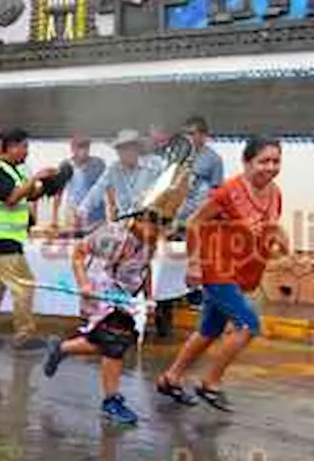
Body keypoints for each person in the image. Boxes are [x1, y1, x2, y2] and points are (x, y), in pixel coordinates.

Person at [157, 137, 288, 411]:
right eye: (264, 161)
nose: (271, 167)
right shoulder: (228, 192)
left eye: (276, 161)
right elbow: (194, 223)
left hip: (241, 271)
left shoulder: (275, 193)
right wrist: (193, 264)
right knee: (248, 325)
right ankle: (210, 382)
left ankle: (171, 378)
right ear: (247, 162)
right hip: (216, 268)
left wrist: (280, 243)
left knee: (209, 330)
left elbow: (269, 226)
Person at [43, 209, 168, 426]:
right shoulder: (112, 236)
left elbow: (144, 269)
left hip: (122, 294)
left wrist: (149, 298)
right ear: (138, 222)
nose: (155, 233)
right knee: (114, 341)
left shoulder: (152, 241)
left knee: (115, 340)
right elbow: (79, 253)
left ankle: (63, 348)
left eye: (159, 228)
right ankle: (111, 400)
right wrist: (83, 283)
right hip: (98, 288)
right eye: (152, 227)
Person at [0, 128, 56, 350]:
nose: (26, 151)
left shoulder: (13, 171)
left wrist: (47, 184)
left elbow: (29, 193)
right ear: (10, 148)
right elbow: (12, 197)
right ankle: (24, 335)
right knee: (24, 286)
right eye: (23, 146)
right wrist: (36, 178)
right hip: (2, 239)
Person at [77, 129, 160, 227]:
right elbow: (97, 189)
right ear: (118, 151)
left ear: (137, 149)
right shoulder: (113, 169)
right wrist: (82, 210)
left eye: (130, 148)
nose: (127, 153)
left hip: (148, 222)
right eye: (123, 149)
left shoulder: (153, 167)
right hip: (124, 223)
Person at [174, 116, 224, 234]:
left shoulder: (214, 159)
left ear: (203, 135)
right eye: (185, 134)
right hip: (177, 212)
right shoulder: (180, 155)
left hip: (198, 215)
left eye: (191, 133)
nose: (188, 137)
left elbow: (215, 192)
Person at [52, 135, 105, 232]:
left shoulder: (98, 164)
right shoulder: (66, 165)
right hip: (74, 215)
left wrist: (112, 212)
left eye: (86, 146)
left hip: (96, 216)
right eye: (79, 147)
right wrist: (54, 219)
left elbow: (108, 188)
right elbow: (58, 193)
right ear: (72, 148)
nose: (83, 151)